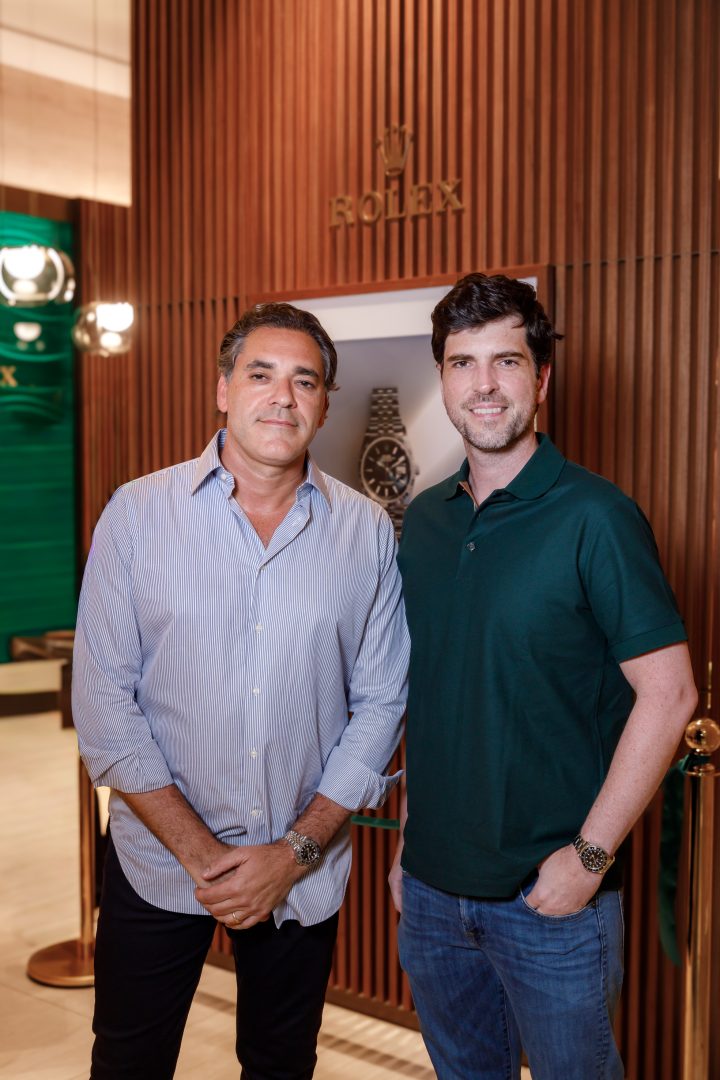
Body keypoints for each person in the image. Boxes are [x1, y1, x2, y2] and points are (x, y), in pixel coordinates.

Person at [73, 302, 409, 1080]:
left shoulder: (365, 531)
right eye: (261, 374)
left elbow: (383, 703)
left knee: (281, 1064)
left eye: (305, 381)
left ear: (324, 403)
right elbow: (104, 709)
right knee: (127, 1062)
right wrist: (204, 858)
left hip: (301, 869)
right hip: (158, 862)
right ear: (224, 389)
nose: (282, 397)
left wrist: (292, 853)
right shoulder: (138, 515)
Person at [389, 273, 697, 1080]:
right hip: (431, 895)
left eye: (507, 361)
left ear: (542, 377)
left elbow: (671, 694)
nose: (484, 385)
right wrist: (410, 840)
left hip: (550, 902)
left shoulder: (596, 516)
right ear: (443, 379)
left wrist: (589, 859)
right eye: (463, 363)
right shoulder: (424, 522)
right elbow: (435, 693)